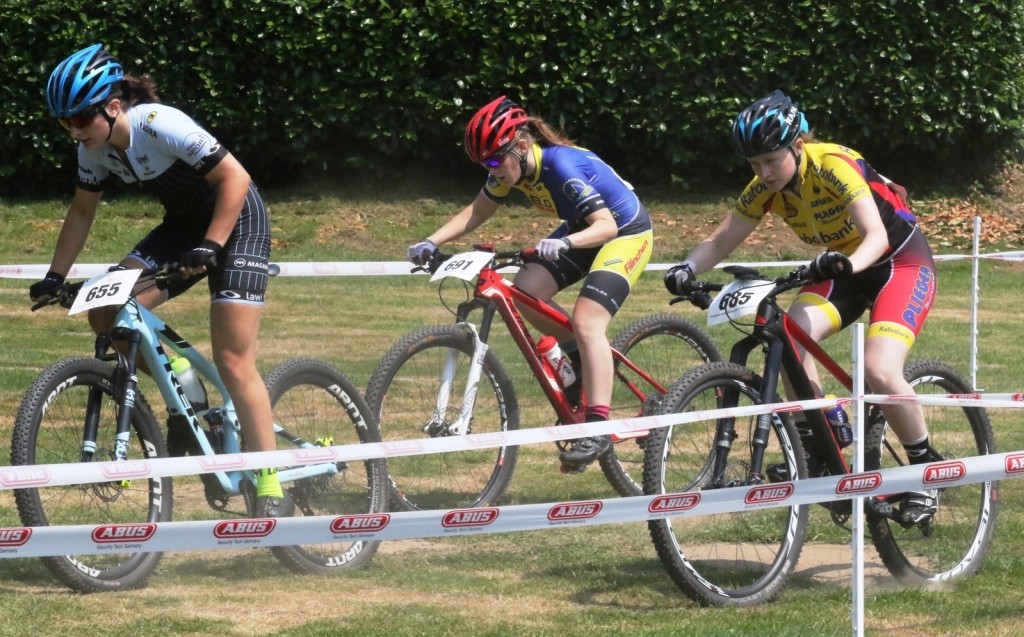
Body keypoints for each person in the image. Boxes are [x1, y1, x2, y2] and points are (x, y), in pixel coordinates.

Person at [31, 43, 289, 518]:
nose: (73, 132)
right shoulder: (95, 148)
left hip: (238, 219)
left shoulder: (156, 123)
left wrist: (211, 247)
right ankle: (185, 382)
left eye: (80, 120)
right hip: (183, 228)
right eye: (64, 123)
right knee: (106, 309)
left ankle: (270, 478)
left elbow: (236, 178)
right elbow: (83, 209)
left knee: (233, 358)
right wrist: (55, 276)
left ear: (112, 108)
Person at [664, 90, 940, 526]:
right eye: (754, 165)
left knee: (879, 369)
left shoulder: (832, 164)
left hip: (898, 262)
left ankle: (927, 468)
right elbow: (721, 239)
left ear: (797, 146)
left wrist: (845, 262)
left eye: (771, 160)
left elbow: (876, 236)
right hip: (843, 265)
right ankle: (820, 442)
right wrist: (687, 267)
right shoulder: (764, 189)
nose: (764, 172)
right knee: (791, 336)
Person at [407, 96, 654, 470]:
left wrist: (566, 242)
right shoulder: (513, 166)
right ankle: (579, 364)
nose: (491, 170)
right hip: (581, 229)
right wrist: (432, 241)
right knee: (523, 292)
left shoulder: (561, 166)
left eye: (494, 160)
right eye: (483, 164)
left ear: (521, 147)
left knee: (588, 320)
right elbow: (478, 209)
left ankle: (598, 427)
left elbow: (607, 226)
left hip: (624, 232)